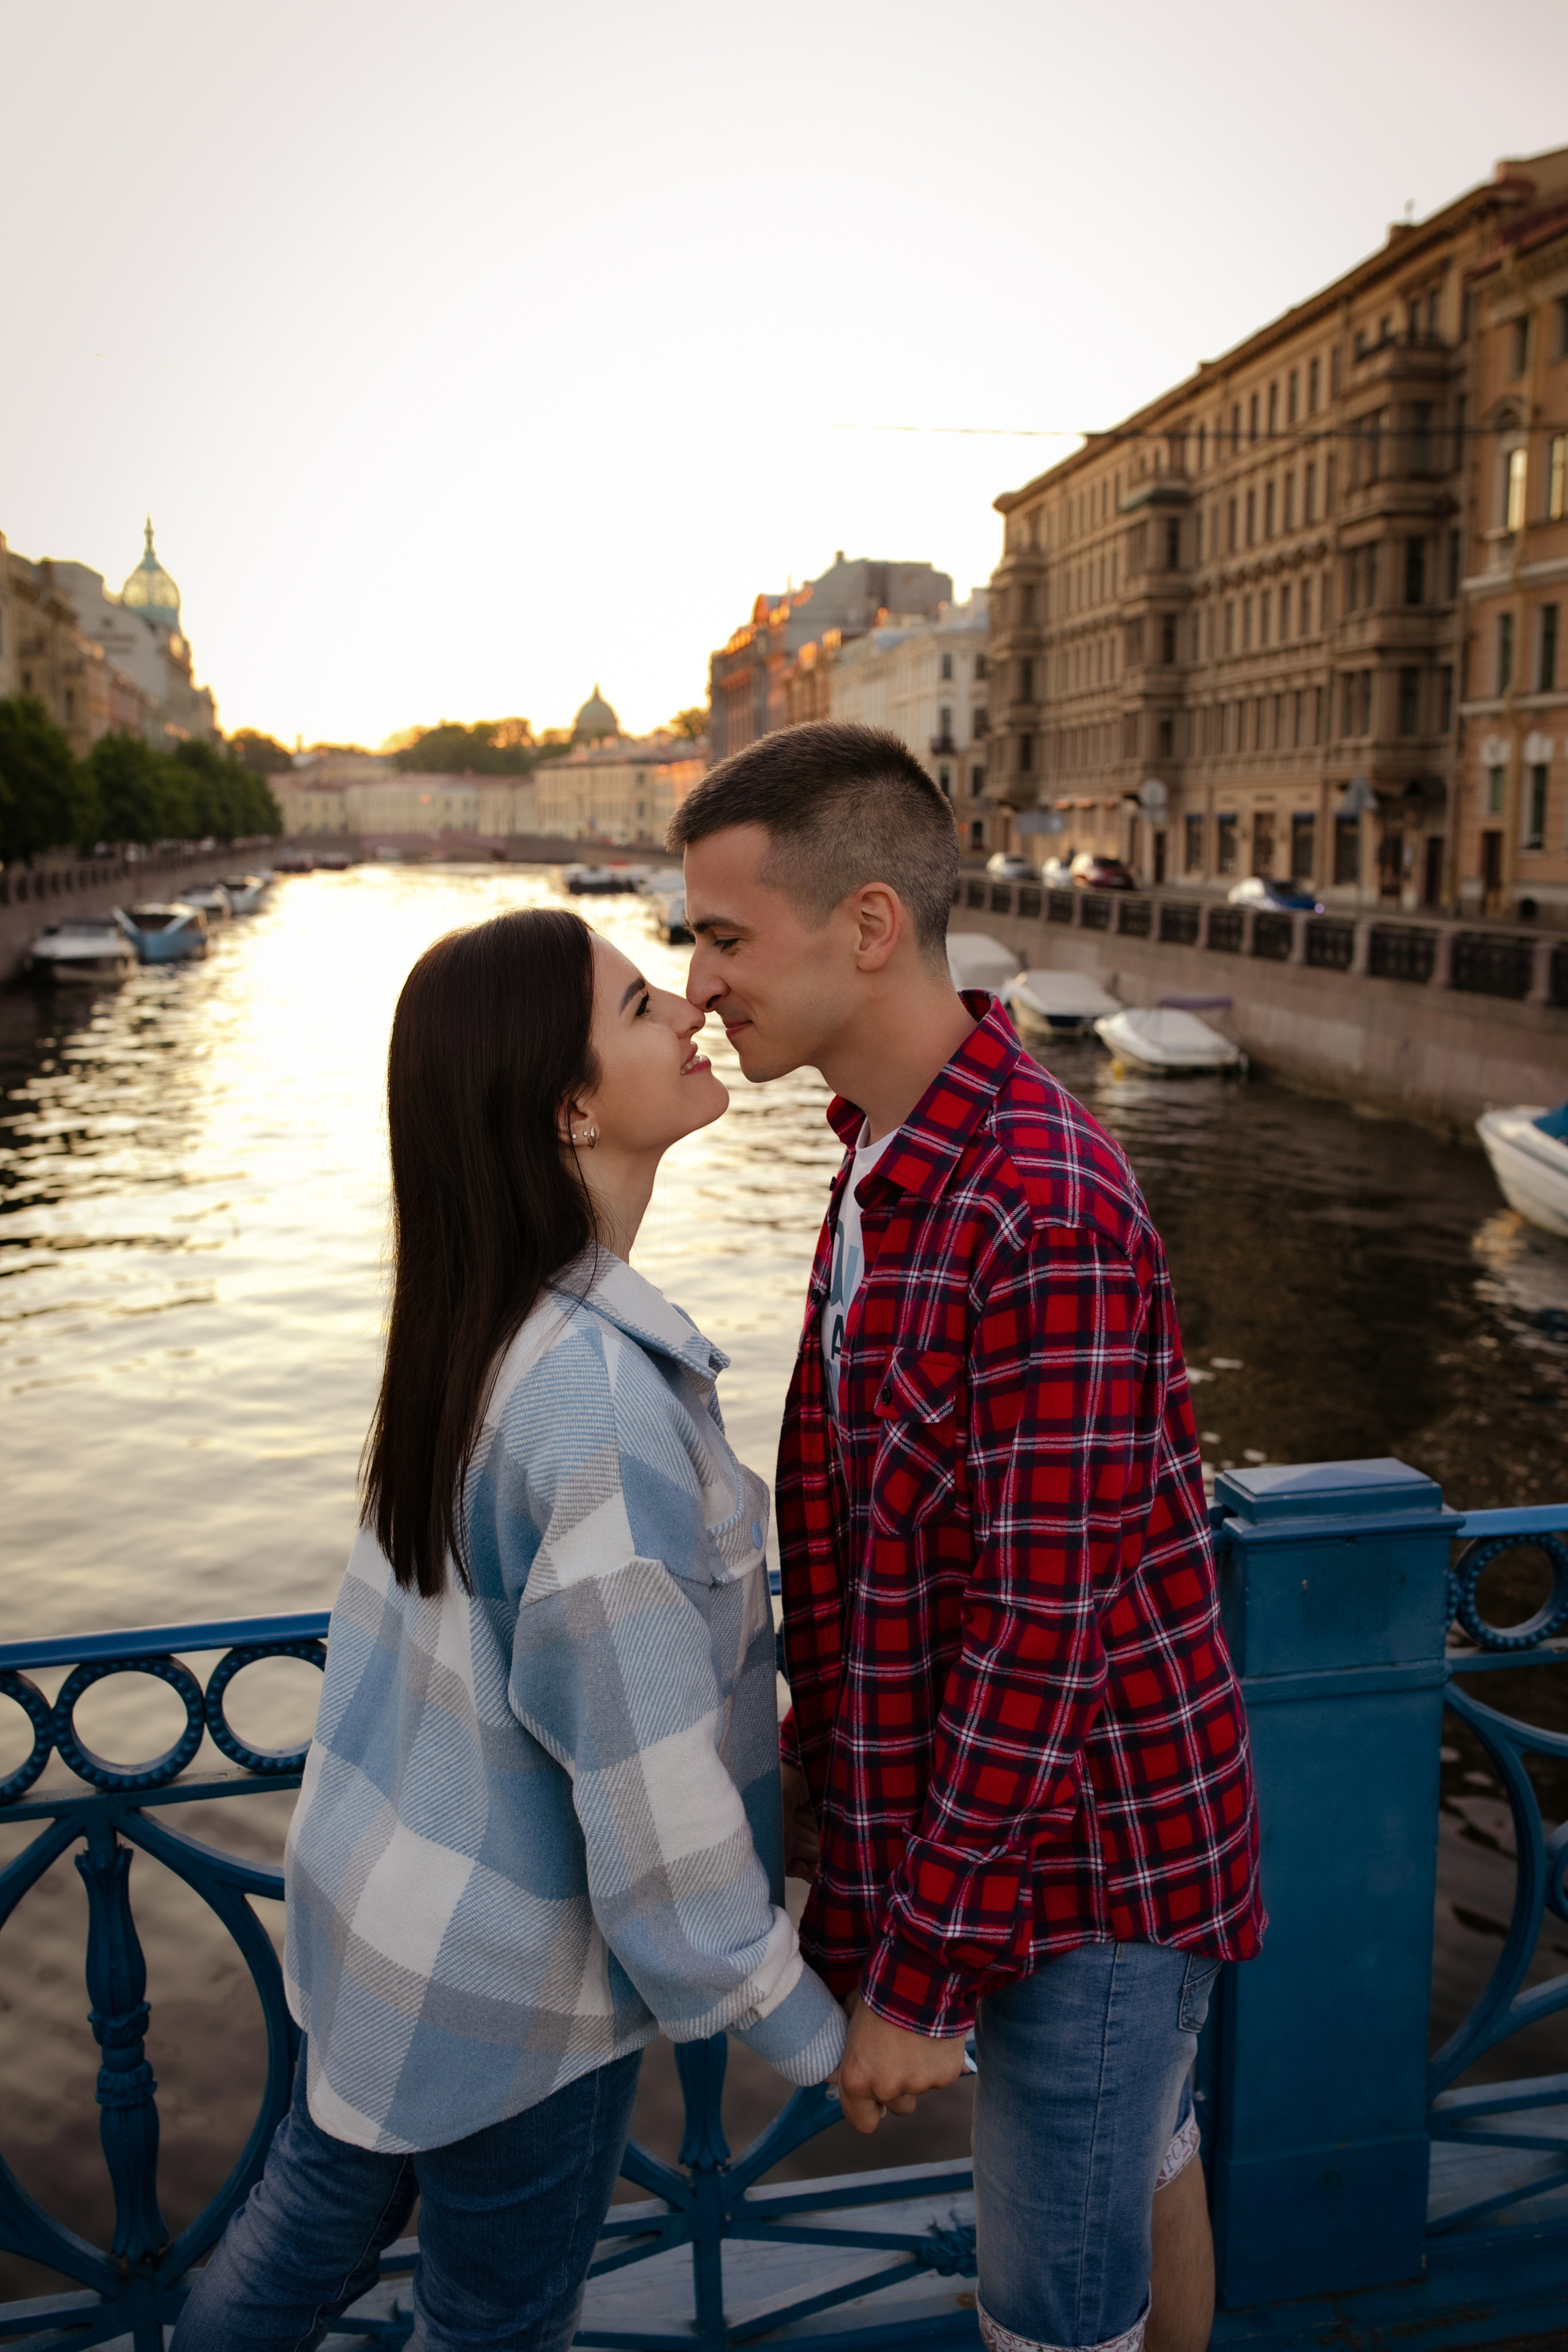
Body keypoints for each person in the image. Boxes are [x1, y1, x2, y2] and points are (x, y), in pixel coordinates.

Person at [174, 907, 845, 2352]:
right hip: (515, 1985)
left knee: (299, 2234)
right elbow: (648, 1796)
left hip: (377, 1923)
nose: (684, 1007)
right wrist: (801, 2025)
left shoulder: (476, 1327)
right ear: (570, 1104)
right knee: (491, 2325)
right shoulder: (591, 1395)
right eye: (632, 1001)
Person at [673, 724, 1265, 2352]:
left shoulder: (1034, 1206)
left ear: (866, 926)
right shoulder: (887, 1152)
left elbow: (1035, 1634)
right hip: (1031, 1851)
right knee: (1151, 2176)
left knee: (1054, 2314)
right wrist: (829, 1808)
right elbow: (883, 1549)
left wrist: (920, 1981)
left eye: (725, 934)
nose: (700, 979)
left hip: (1091, 1875)